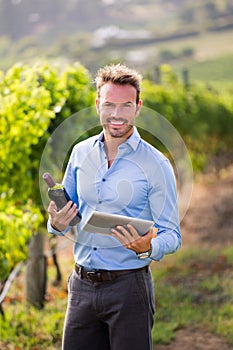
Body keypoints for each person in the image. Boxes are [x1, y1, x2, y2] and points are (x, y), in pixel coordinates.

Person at [47, 63, 181, 350]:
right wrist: (56, 223)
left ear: (138, 107)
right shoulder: (80, 153)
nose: (117, 114)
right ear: (98, 104)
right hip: (81, 286)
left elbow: (172, 234)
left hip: (129, 288)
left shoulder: (156, 165)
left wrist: (147, 247)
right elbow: (67, 214)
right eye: (109, 104)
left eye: (126, 105)